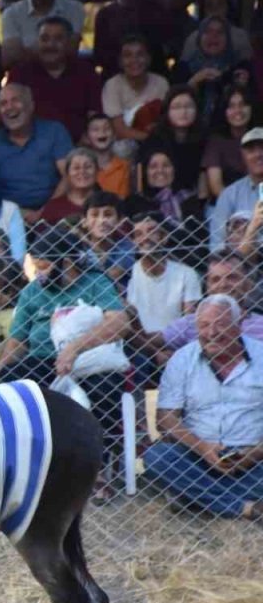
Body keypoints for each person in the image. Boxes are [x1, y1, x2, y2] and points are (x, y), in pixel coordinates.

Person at [0, 228, 128, 435]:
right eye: (35, 267)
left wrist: (74, 348)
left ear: (67, 262)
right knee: (9, 384)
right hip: (42, 361)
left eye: (43, 267)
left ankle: (98, 457)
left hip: (88, 361)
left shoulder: (96, 282)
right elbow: (18, 342)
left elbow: (120, 322)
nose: (38, 274)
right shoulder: (32, 292)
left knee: (103, 391)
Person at [145, 294, 263, 519]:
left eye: (221, 325)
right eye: (204, 325)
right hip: (198, 458)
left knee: (186, 480)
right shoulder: (182, 359)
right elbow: (166, 418)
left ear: (238, 326)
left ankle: (198, 498)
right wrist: (203, 448)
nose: (211, 333)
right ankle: (246, 507)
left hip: (255, 457)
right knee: (158, 456)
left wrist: (254, 453)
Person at [0, 84, 72, 220]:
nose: (9, 107)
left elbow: (69, 175)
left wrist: (45, 211)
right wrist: (17, 213)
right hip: (7, 217)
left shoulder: (54, 132)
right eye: (3, 103)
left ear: (31, 106)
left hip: (53, 214)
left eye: (15, 100)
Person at [7, 16, 102, 143]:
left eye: (58, 39)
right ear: (37, 42)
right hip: (30, 146)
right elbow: (9, 117)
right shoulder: (20, 74)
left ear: (68, 43)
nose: (50, 45)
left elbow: (94, 117)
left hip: (77, 147)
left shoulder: (86, 72)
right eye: (44, 39)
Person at [154, 250, 263, 356]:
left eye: (232, 277)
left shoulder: (260, 325)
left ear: (249, 284)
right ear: (208, 287)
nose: (223, 285)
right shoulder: (189, 323)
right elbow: (149, 341)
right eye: (215, 279)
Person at [126, 213, 202, 336]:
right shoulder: (128, 273)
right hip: (140, 344)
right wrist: (154, 352)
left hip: (177, 342)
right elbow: (130, 323)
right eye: (139, 234)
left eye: (151, 232)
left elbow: (189, 322)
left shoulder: (187, 274)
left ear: (164, 237)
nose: (145, 238)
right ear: (134, 242)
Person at [136, 86, 207, 197]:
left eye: (188, 106)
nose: (183, 112)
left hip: (191, 200)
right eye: (177, 107)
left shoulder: (204, 139)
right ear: (167, 111)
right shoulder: (154, 141)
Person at [101, 34, 169, 148]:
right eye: (127, 55)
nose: (134, 60)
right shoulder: (112, 85)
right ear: (120, 61)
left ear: (149, 58)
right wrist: (152, 139)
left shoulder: (161, 83)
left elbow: (166, 122)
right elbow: (119, 130)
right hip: (123, 147)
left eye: (140, 54)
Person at [0, 0, 84, 68]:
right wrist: (55, 50)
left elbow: (70, 51)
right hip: (25, 77)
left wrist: (25, 51)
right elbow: (11, 56)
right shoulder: (11, 14)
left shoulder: (75, 9)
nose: (50, 45)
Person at [123, 145, 205, 228]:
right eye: (153, 166)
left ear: (174, 170)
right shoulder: (133, 202)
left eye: (166, 165)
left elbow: (198, 234)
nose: (160, 170)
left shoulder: (188, 199)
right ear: (145, 172)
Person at [209, 127, 263, 249]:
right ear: (243, 156)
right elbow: (217, 246)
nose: (259, 154)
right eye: (251, 150)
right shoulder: (230, 195)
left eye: (262, 148)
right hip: (243, 264)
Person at [204, 83, 260, 199]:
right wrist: (237, 206)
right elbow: (216, 186)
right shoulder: (216, 141)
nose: (238, 110)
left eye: (243, 104)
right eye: (231, 106)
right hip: (226, 202)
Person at [81, 191, 135, 284]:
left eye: (108, 214)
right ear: (84, 221)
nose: (102, 220)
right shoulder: (78, 247)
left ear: (120, 221)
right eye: (94, 215)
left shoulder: (127, 247)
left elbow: (111, 277)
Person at [39, 147, 99, 226]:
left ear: (97, 171)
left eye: (88, 167)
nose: (82, 171)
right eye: (76, 168)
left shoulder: (110, 203)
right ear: (67, 174)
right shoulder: (53, 208)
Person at [82, 113, 131, 199]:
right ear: (86, 138)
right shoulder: (82, 169)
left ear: (114, 135)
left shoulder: (124, 167)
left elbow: (126, 200)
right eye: (95, 129)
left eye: (107, 128)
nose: (102, 132)